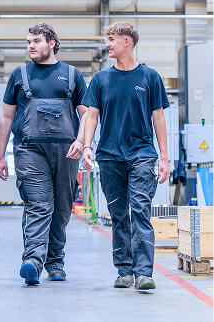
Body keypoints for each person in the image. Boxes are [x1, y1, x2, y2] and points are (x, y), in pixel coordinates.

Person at [0, 23, 87, 285]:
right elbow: (6, 116)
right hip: (30, 150)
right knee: (38, 204)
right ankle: (33, 262)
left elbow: (86, 114)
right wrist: (0, 155)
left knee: (62, 208)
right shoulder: (20, 74)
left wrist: (82, 142)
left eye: (36, 41)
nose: (31, 46)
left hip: (67, 152)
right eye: (28, 42)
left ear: (52, 43)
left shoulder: (72, 75)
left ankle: (55, 262)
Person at [82, 22, 170, 291]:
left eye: (111, 39)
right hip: (109, 156)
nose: (107, 44)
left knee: (140, 210)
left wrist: (164, 158)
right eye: (107, 39)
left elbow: (159, 118)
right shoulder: (100, 80)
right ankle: (124, 271)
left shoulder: (150, 77)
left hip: (142, 154)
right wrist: (87, 146)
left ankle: (143, 273)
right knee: (119, 214)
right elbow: (91, 116)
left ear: (127, 41)